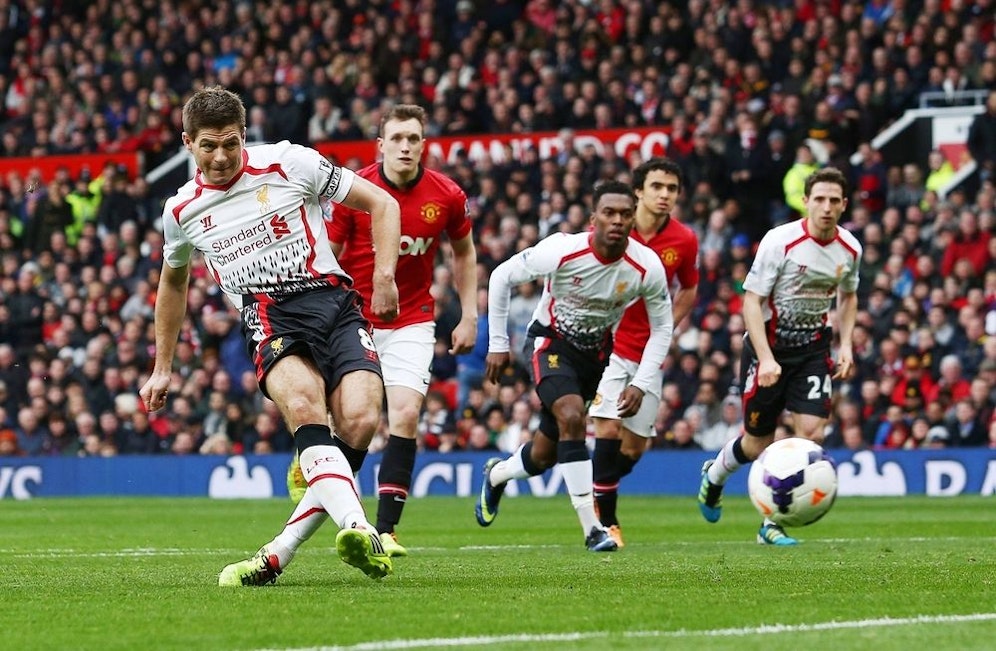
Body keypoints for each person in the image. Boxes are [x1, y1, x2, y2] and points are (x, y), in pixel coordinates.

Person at [138, 87, 402, 586]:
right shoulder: (181, 211)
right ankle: (359, 527)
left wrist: (384, 276)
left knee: (361, 420)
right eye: (208, 146)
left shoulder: (289, 162)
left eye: (230, 143)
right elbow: (173, 282)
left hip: (333, 302)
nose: (221, 157)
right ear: (188, 143)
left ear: (244, 136)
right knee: (304, 406)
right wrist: (162, 367)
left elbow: (381, 203)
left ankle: (277, 554)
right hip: (270, 314)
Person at [281, 104, 477, 558]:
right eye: (397, 138)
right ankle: (318, 459)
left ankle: (386, 530)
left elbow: (464, 253)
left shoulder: (447, 195)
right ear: (381, 145)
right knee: (351, 422)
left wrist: (469, 315)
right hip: (352, 318)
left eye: (414, 138)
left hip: (412, 318)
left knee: (405, 414)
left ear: (424, 145)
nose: (405, 146)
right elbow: (327, 253)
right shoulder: (357, 191)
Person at [475, 180, 674, 551]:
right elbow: (501, 276)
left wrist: (641, 382)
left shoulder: (646, 267)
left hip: (595, 357)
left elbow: (663, 327)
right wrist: (498, 344)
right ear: (593, 218)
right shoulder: (563, 250)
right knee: (571, 417)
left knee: (544, 454)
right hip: (550, 342)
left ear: (633, 219)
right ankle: (593, 529)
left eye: (625, 214)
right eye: (609, 213)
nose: (617, 220)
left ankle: (498, 474)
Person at [697, 167, 862, 546]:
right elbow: (751, 301)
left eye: (833, 200)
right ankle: (714, 476)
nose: (826, 207)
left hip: (813, 350)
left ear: (844, 204)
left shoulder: (850, 248)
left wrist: (846, 344)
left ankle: (770, 524)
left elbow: (849, 295)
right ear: (805, 202)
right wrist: (766, 357)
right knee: (757, 443)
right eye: (819, 199)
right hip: (768, 347)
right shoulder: (780, 241)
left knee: (812, 434)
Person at [587, 158, 698, 548]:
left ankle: (592, 486)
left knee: (633, 450)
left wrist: (667, 327)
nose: (664, 195)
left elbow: (689, 288)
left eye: (672, 188)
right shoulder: (613, 229)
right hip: (608, 345)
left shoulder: (684, 240)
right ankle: (607, 522)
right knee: (607, 426)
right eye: (657, 187)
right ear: (638, 192)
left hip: (648, 352)